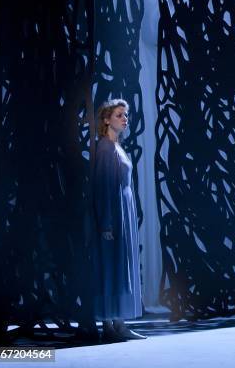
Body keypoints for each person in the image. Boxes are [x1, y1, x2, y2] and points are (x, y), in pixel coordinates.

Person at [91, 99, 146, 342]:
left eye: (125, 115)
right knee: (111, 267)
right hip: (113, 213)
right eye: (119, 115)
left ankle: (117, 323)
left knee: (120, 267)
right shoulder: (104, 148)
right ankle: (111, 325)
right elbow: (102, 188)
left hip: (124, 211)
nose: (125, 119)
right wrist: (106, 223)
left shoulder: (116, 147)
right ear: (106, 119)